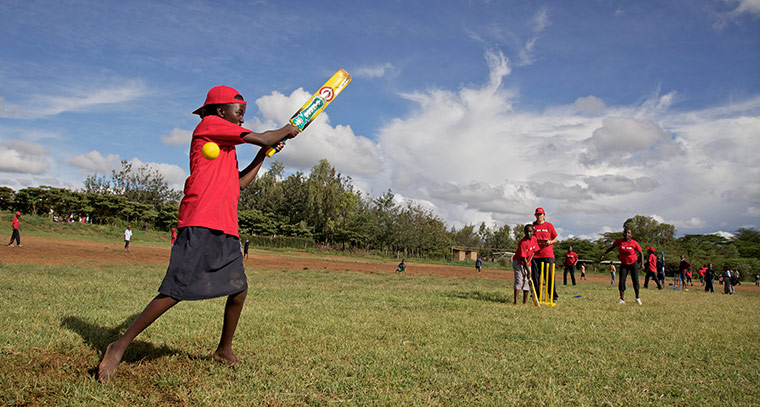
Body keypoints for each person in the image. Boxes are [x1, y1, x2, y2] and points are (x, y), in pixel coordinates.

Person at [97, 85, 299, 383]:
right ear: (221, 111)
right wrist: (287, 129)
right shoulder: (208, 125)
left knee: (238, 288)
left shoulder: (226, 147)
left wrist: (261, 157)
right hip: (200, 219)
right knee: (175, 290)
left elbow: (238, 183)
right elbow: (266, 136)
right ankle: (119, 346)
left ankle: (223, 349)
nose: (242, 119)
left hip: (225, 224)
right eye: (239, 113)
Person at [601, 227, 643, 305]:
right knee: (622, 281)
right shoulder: (619, 242)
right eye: (625, 232)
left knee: (635, 281)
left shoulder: (634, 243)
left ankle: (637, 297)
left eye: (628, 233)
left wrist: (642, 264)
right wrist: (604, 254)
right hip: (624, 264)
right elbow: (611, 248)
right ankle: (621, 299)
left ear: (631, 235)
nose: (626, 234)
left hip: (633, 263)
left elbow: (641, 253)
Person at [531, 208, 559, 303]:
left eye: (541, 214)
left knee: (549, 276)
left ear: (544, 215)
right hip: (535, 254)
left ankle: (553, 296)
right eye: (537, 214)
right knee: (535, 276)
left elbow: (556, 238)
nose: (539, 216)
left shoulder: (549, 225)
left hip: (547, 254)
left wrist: (550, 242)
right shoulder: (533, 226)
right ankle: (536, 295)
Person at [512, 224, 538, 305]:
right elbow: (523, 258)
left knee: (527, 281)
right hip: (518, 262)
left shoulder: (534, 239)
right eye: (526, 232)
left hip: (527, 262)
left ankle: (525, 302)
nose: (528, 234)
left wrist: (528, 267)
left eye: (530, 232)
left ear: (533, 232)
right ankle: (515, 302)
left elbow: (534, 251)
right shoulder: (523, 243)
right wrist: (528, 271)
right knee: (520, 280)